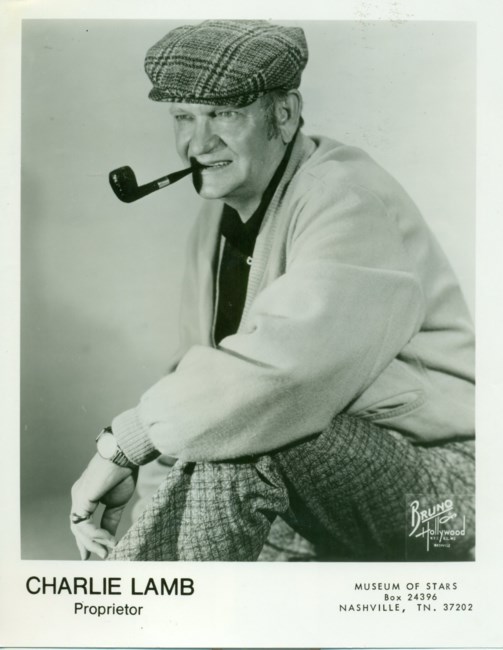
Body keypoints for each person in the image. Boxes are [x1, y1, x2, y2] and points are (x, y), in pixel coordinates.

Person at [70, 20, 475, 562]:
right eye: (184, 117)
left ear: (283, 114)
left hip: (447, 492)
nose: (198, 143)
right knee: (232, 427)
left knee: (247, 430)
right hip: (323, 481)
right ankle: (151, 598)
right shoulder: (219, 217)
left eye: (224, 114)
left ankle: (146, 606)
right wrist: (150, 512)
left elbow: (277, 379)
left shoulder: (346, 198)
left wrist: (122, 445)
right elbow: (201, 379)